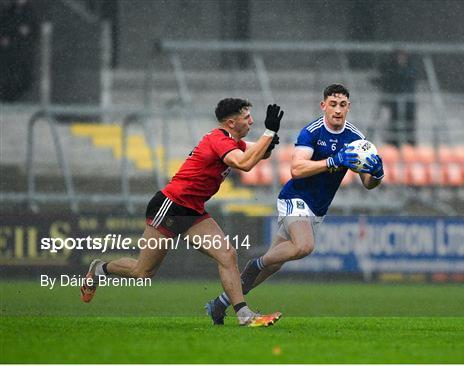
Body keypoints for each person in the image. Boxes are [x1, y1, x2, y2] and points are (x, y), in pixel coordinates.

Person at [81, 98, 284, 327]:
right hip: (170, 206)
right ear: (231, 122)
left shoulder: (234, 143)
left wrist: (267, 145)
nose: (252, 121)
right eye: (247, 117)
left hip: (193, 211)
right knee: (143, 272)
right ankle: (99, 268)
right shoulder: (218, 139)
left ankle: (244, 315)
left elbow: (255, 153)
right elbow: (245, 164)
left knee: (227, 254)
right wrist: (268, 132)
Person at [206, 84, 384, 325]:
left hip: (317, 209)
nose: (337, 110)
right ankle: (256, 262)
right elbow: (297, 169)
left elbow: (367, 183)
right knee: (305, 245)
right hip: (295, 199)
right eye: (332, 104)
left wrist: (377, 174)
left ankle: (221, 304)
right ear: (323, 106)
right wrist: (333, 160)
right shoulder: (311, 132)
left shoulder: (356, 139)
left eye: (342, 105)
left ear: (348, 107)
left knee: (274, 264)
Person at [379, 50, 417, 146]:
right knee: (394, 123)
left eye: (403, 57)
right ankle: (394, 145)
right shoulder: (392, 69)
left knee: (409, 125)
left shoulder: (410, 69)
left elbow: (409, 82)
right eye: (400, 57)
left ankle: (410, 146)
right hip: (395, 102)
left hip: (408, 102)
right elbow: (389, 82)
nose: (401, 59)